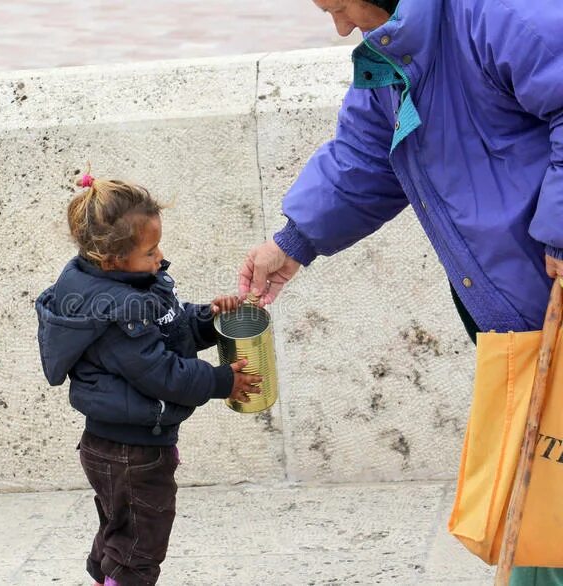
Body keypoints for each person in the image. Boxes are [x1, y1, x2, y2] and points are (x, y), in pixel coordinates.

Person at [238, 0, 563, 583]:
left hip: (550, 287)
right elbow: (363, 156)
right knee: (541, 494)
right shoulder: (391, 53)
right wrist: (291, 243)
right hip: (516, 309)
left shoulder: (504, 14)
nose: (339, 27)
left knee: (544, 492)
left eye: (338, 6)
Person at [36, 171, 261, 586]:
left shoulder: (132, 286)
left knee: (118, 531)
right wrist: (220, 382)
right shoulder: (117, 311)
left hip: (116, 446)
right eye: (150, 251)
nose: (159, 258)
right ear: (112, 259)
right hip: (131, 453)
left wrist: (211, 319)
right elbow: (160, 374)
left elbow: (172, 329)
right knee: (141, 544)